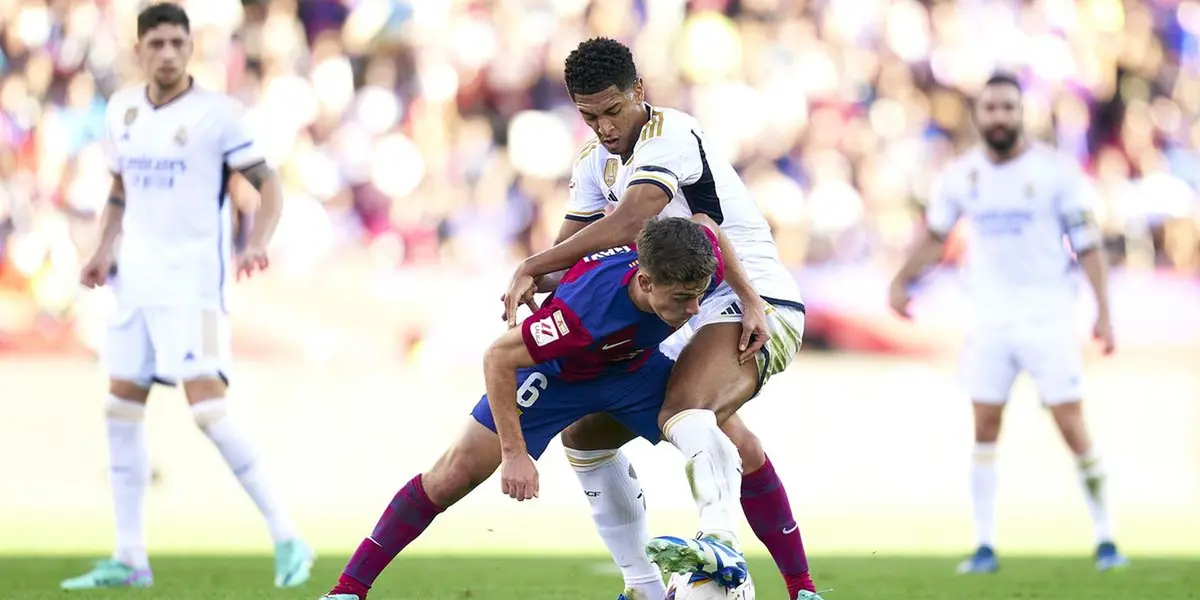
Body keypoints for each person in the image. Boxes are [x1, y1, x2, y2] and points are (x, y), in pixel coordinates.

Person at [502, 38, 821, 600]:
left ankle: (721, 544)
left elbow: (630, 222)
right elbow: (568, 256)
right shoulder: (593, 164)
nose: (603, 127)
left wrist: (533, 263)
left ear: (638, 93)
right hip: (680, 313)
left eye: (613, 110)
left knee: (688, 409)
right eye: (589, 115)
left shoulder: (670, 134)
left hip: (754, 301)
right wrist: (537, 287)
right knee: (591, 437)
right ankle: (649, 586)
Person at [318, 217, 738, 600]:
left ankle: (777, 575)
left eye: (698, 296)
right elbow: (499, 357)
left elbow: (707, 226)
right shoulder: (582, 312)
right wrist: (514, 453)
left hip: (631, 369)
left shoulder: (697, 263)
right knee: (454, 473)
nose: (694, 309)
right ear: (646, 282)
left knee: (733, 439)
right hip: (558, 377)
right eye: (683, 298)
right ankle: (347, 591)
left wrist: (751, 300)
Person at [61, 3, 313, 590]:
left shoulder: (218, 116)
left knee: (208, 410)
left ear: (190, 48)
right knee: (119, 410)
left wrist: (258, 239)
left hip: (193, 287)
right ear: (139, 49)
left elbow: (268, 184)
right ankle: (129, 559)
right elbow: (120, 190)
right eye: (158, 44)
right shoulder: (121, 110)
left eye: (178, 42)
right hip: (133, 286)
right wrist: (102, 248)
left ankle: (287, 535)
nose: (168, 53)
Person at [888, 73, 1127, 573]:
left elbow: (1087, 244)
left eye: (1008, 108)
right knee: (985, 425)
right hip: (989, 318)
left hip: (1047, 316)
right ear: (979, 115)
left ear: (1022, 114)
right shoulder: (962, 175)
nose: (999, 116)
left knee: (1070, 423)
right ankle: (984, 546)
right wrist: (902, 280)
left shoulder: (1056, 173)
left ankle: (1107, 537)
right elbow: (936, 235)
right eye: (991, 108)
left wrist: (1104, 310)